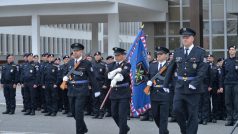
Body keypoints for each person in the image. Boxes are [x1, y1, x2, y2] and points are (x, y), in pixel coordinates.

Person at [163, 27, 206, 134]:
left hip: (193, 89)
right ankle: (184, 129)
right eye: (183, 37)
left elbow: (202, 71)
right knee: (176, 110)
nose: (185, 39)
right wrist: (165, 84)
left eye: (187, 37)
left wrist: (194, 83)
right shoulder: (178, 52)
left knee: (192, 114)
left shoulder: (200, 52)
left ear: (192, 39)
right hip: (180, 87)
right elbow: (171, 68)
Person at [62, 43, 100, 134]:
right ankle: (83, 128)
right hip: (71, 90)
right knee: (74, 112)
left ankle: (79, 132)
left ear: (81, 52)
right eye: (74, 51)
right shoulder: (70, 62)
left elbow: (92, 78)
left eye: (77, 51)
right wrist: (65, 78)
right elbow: (66, 73)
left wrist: (96, 90)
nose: (75, 52)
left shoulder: (87, 63)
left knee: (79, 113)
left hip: (82, 90)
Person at [146, 46, 170, 134]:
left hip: (165, 94)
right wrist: (148, 82)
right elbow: (147, 76)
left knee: (163, 118)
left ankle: (162, 131)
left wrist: (169, 87)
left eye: (161, 54)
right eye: (158, 54)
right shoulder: (152, 65)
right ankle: (164, 131)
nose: (158, 55)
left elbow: (174, 79)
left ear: (166, 56)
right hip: (154, 94)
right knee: (156, 116)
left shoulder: (170, 65)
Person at [107, 47, 131, 134]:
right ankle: (125, 128)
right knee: (114, 114)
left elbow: (124, 73)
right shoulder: (111, 65)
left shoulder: (127, 64)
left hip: (123, 92)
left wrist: (117, 76)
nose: (116, 57)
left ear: (123, 56)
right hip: (114, 92)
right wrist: (115, 72)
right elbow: (108, 75)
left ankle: (122, 132)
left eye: (118, 55)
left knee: (122, 115)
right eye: (115, 55)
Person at [221, 45, 238, 126]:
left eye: (233, 49)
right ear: (228, 51)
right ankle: (229, 119)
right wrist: (221, 86)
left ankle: (235, 119)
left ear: (235, 51)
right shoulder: (225, 61)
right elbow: (222, 75)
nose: (231, 51)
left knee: (236, 102)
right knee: (228, 102)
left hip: (236, 84)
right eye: (230, 49)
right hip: (227, 84)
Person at [92, 51, 108, 119]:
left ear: (100, 56)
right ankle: (96, 113)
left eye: (98, 55)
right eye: (96, 55)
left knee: (101, 99)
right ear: (94, 56)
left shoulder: (104, 64)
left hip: (101, 84)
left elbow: (107, 75)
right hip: (94, 84)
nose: (97, 56)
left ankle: (101, 113)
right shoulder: (91, 64)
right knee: (95, 99)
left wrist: (105, 84)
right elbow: (89, 75)